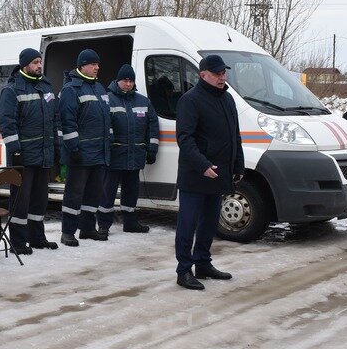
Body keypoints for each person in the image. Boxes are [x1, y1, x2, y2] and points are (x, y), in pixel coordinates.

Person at [174, 54, 243, 291]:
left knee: (209, 223)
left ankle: (203, 263)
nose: (222, 77)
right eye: (217, 74)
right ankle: (184, 270)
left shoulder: (228, 99)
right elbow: (184, 138)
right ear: (203, 75)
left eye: (223, 73)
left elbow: (235, 135)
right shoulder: (190, 100)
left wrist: (238, 165)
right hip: (196, 175)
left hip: (220, 173)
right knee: (188, 224)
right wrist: (202, 165)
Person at [0, 48, 59, 255]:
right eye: (35, 62)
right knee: (20, 201)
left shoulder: (46, 86)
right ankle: (17, 241)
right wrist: (15, 151)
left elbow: (53, 119)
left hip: (44, 155)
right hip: (23, 156)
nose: (39, 66)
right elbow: (7, 123)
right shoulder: (13, 89)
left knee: (40, 199)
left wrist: (56, 147)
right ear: (25, 65)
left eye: (40, 62)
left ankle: (37, 238)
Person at [97, 64, 159, 234]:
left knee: (131, 192)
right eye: (125, 80)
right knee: (107, 193)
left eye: (131, 80)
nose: (128, 83)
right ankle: (103, 225)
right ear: (118, 81)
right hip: (115, 155)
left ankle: (130, 223)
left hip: (135, 156)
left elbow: (153, 126)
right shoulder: (107, 99)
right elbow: (104, 125)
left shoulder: (143, 101)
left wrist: (152, 149)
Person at [59, 49, 112, 246]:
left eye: (98, 64)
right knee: (74, 194)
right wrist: (74, 148)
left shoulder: (99, 88)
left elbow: (107, 118)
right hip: (80, 153)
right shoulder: (71, 89)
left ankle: (88, 229)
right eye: (92, 64)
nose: (97, 67)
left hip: (99, 152)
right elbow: (66, 121)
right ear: (82, 65)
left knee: (94, 193)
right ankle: (67, 232)